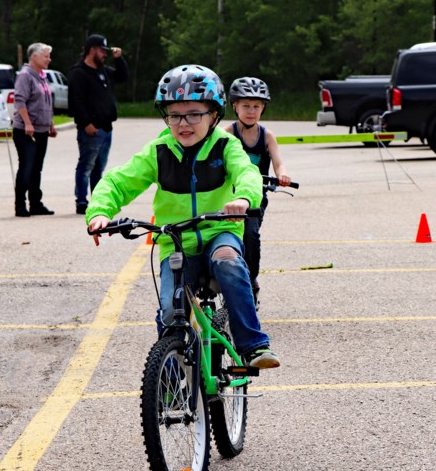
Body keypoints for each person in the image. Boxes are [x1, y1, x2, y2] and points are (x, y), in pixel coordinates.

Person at [85, 65, 280, 369]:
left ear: (214, 114)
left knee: (229, 260)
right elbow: (118, 181)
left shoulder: (226, 145)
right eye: (174, 115)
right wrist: (100, 211)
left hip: (219, 231)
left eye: (193, 114)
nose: (183, 123)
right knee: (169, 310)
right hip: (176, 241)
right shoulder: (159, 150)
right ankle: (169, 375)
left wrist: (243, 199)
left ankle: (253, 345)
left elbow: (248, 173)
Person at [223, 76, 291, 304]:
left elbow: (279, 162)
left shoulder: (267, 136)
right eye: (245, 106)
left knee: (250, 235)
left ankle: (251, 281)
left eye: (256, 106)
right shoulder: (227, 133)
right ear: (235, 106)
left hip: (254, 198)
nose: (251, 111)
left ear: (263, 108)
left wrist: (281, 174)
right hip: (228, 195)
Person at [68, 33, 129, 215]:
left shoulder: (104, 71)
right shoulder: (78, 72)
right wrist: (85, 123)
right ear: (92, 50)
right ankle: (81, 201)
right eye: (102, 51)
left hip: (106, 128)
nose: (105, 54)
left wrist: (119, 60)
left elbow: (123, 77)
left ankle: (96, 199)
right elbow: (76, 101)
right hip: (91, 129)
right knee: (86, 166)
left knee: (99, 168)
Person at [12, 42, 58, 217]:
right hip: (26, 131)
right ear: (34, 56)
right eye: (46, 56)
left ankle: (36, 203)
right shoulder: (25, 76)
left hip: (42, 129)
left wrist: (50, 123)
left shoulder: (42, 76)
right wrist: (27, 122)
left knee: (37, 168)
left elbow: (46, 102)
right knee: (27, 166)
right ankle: (20, 205)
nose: (49, 59)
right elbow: (20, 100)